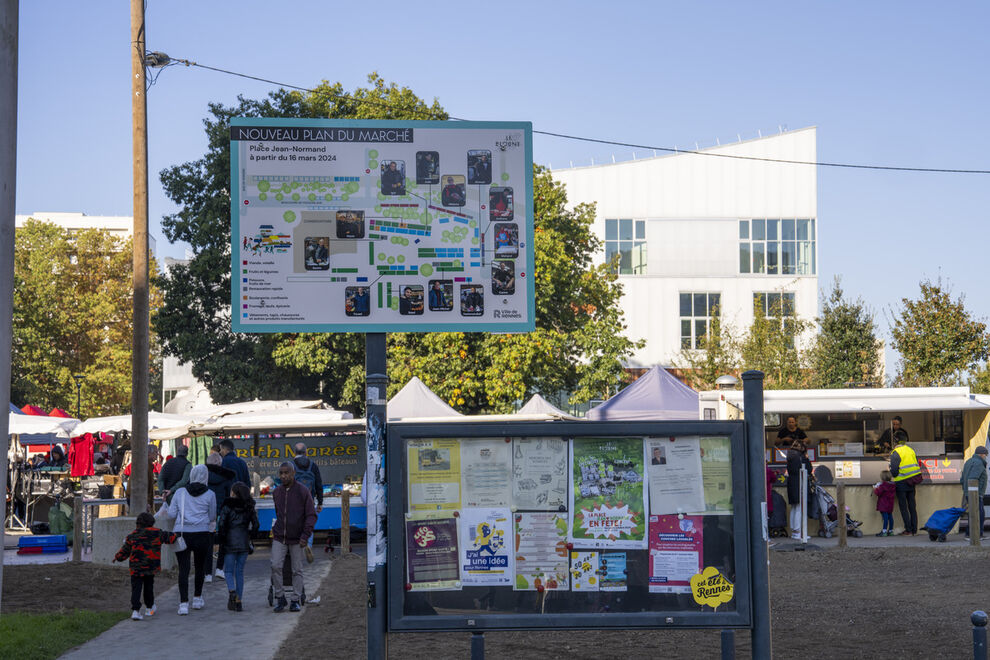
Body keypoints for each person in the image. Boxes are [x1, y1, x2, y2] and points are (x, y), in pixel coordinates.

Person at [166, 464, 217, 615]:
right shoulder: (210, 494)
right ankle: (197, 598)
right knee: (200, 567)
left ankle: (183, 604)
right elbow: (212, 516)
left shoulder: (180, 492)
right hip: (201, 533)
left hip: (182, 533)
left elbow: (171, 514)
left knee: (184, 568)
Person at [270, 462, 317, 613]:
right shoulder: (276, 492)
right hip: (279, 537)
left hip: (298, 538)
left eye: (286, 473)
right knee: (275, 565)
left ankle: (295, 600)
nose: (283, 476)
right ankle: (280, 597)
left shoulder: (303, 491)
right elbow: (279, 514)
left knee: (297, 569)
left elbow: (311, 515)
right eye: (281, 473)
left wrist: (305, 535)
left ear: (293, 473)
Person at [113, 511, 177, 620]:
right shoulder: (157, 533)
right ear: (152, 522)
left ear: (138, 523)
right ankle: (149, 608)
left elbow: (125, 551)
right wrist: (178, 535)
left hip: (136, 567)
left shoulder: (132, 536)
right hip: (151, 567)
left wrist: (117, 557)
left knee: (136, 588)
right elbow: (171, 538)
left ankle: (135, 611)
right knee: (149, 587)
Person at [217, 481, 259, 612]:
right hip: (244, 542)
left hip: (229, 541)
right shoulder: (249, 506)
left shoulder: (227, 506)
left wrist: (221, 539)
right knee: (239, 572)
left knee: (228, 571)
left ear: (233, 493)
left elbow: (222, 524)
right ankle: (239, 600)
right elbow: (256, 525)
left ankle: (232, 591)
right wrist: (251, 536)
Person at [205, 453, 235, 581]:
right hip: (222, 514)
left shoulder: (203, 476)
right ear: (219, 463)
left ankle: (207, 574)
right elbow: (230, 496)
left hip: (206, 514)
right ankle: (219, 568)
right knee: (223, 542)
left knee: (208, 544)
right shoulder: (227, 477)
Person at [889, 430, 921, 535]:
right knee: (912, 506)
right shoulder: (910, 450)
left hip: (901, 482)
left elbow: (894, 472)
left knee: (903, 507)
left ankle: (908, 529)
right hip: (912, 482)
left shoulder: (895, 453)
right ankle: (914, 529)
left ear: (895, 441)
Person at [786, 440, 813, 540]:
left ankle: (794, 531)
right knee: (799, 508)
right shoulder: (801, 457)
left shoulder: (790, 456)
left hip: (791, 482)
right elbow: (809, 469)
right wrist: (807, 458)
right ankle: (798, 532)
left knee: (794, 507)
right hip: (800, 482)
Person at [960, 446, 988, 539]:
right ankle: (976, 535)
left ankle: (969, 534)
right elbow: (973, 478)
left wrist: (966, 490)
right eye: (985, 455)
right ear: (981, 454)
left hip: (969, 493)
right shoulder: (978, 463)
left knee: (973, 514)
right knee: (979, 515)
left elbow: (962, 479)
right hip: (975, 494)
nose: (986, 457)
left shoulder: (968, 462)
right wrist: (977, 492)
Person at [873, 471, 897, 536]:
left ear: (882, 478)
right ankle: (891, 531)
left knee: (885, 518)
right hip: (890, 504)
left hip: (883, 504)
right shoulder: (893, 485)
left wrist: (875, 488)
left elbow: (878, 493)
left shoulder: (883, 485)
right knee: (890, 517)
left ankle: (884, 531)